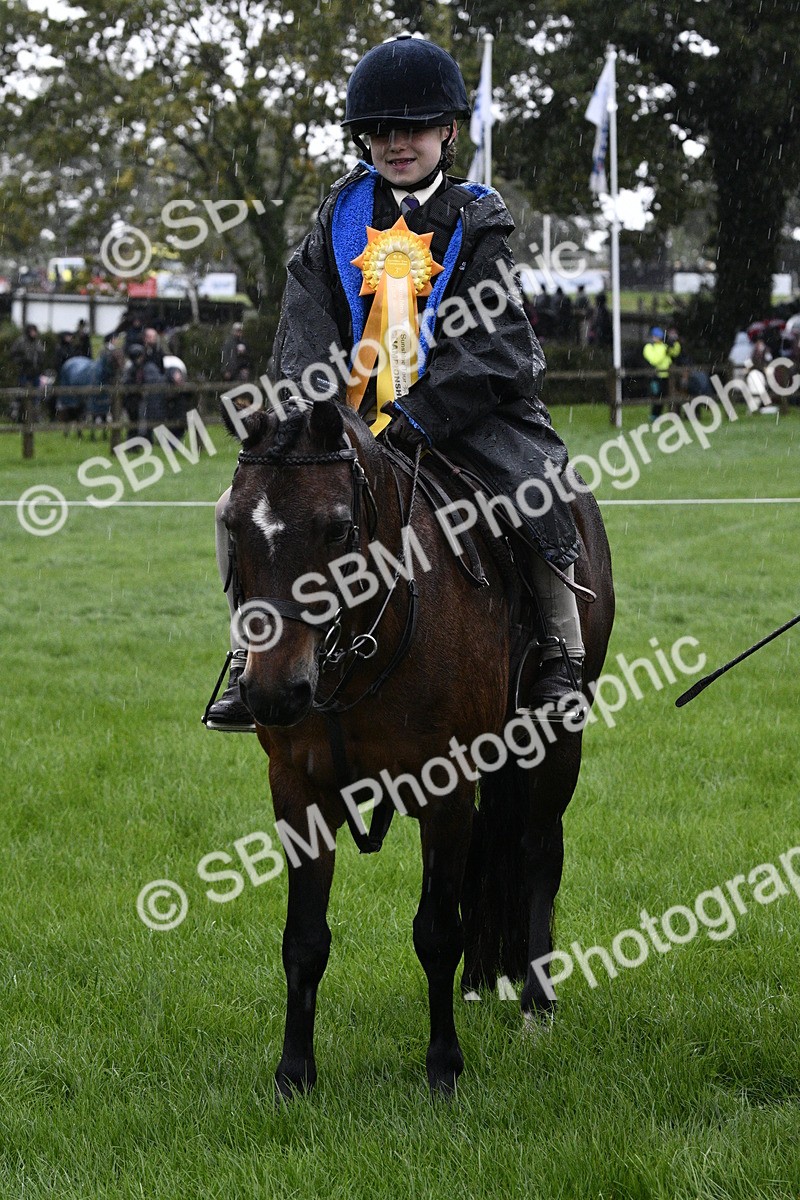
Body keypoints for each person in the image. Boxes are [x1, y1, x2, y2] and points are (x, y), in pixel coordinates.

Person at [205, 33, 586, 732]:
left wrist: (421, 412)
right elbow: (304, 329)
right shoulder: (337, 219)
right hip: (343, 422)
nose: (395, 142)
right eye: (378, 130)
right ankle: (248, 654)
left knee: (537, 483)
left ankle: (562, 647)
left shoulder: (477, 222)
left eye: (411, 128)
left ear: (447, 129)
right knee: (234, 504)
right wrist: (313, 412)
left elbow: (496, 346)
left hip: (464, 417)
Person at [643, 325, 681, 420]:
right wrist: (664, 348)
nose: (658, 338)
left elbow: (675, 352)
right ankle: (654, 416)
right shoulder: (648, 347)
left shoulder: (664, 346)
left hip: (668, 376)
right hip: (655, 376)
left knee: (668, 395)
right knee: (657, 396)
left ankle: (670, 415)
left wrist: (674, 343)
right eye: (656, 336)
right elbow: (654, 360)